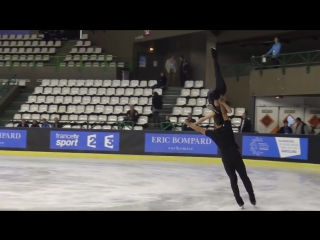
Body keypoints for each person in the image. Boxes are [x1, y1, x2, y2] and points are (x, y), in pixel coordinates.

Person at [184, 97, 256, 208]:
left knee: (233, 179)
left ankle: (239, 201)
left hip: (226, 159)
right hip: (235, 155)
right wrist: (222, 103)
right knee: (244, 177)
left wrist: (188, 123)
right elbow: (224, 114)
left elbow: (197, 128)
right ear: (223, 121)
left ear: (214, 122)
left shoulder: (213, 134)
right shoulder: (228, 127)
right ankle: (252, 197)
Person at [194, 47, 232, 126]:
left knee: (211, 94)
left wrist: (193, 124)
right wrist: (223, 102)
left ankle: (211, 102)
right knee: (217, 72)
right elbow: (230, 111)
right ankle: (214, 55)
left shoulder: (214, 112)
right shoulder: (223, 112)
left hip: (214, 94)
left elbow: (203, 118)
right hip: (221, 90)